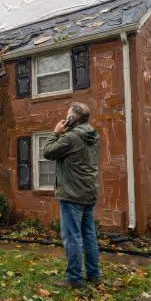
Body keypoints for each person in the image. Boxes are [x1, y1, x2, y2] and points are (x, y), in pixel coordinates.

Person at [42, 102, 100, 288]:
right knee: (89, 234)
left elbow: (48, 152)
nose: (65, 117)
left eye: (68, 115)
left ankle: (74, 279)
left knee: (72, 236)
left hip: (72, 194)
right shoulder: (92, 135)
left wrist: (56, 132)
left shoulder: (71, 138)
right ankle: (93, 274)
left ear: (72, 119)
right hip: (88, 192)